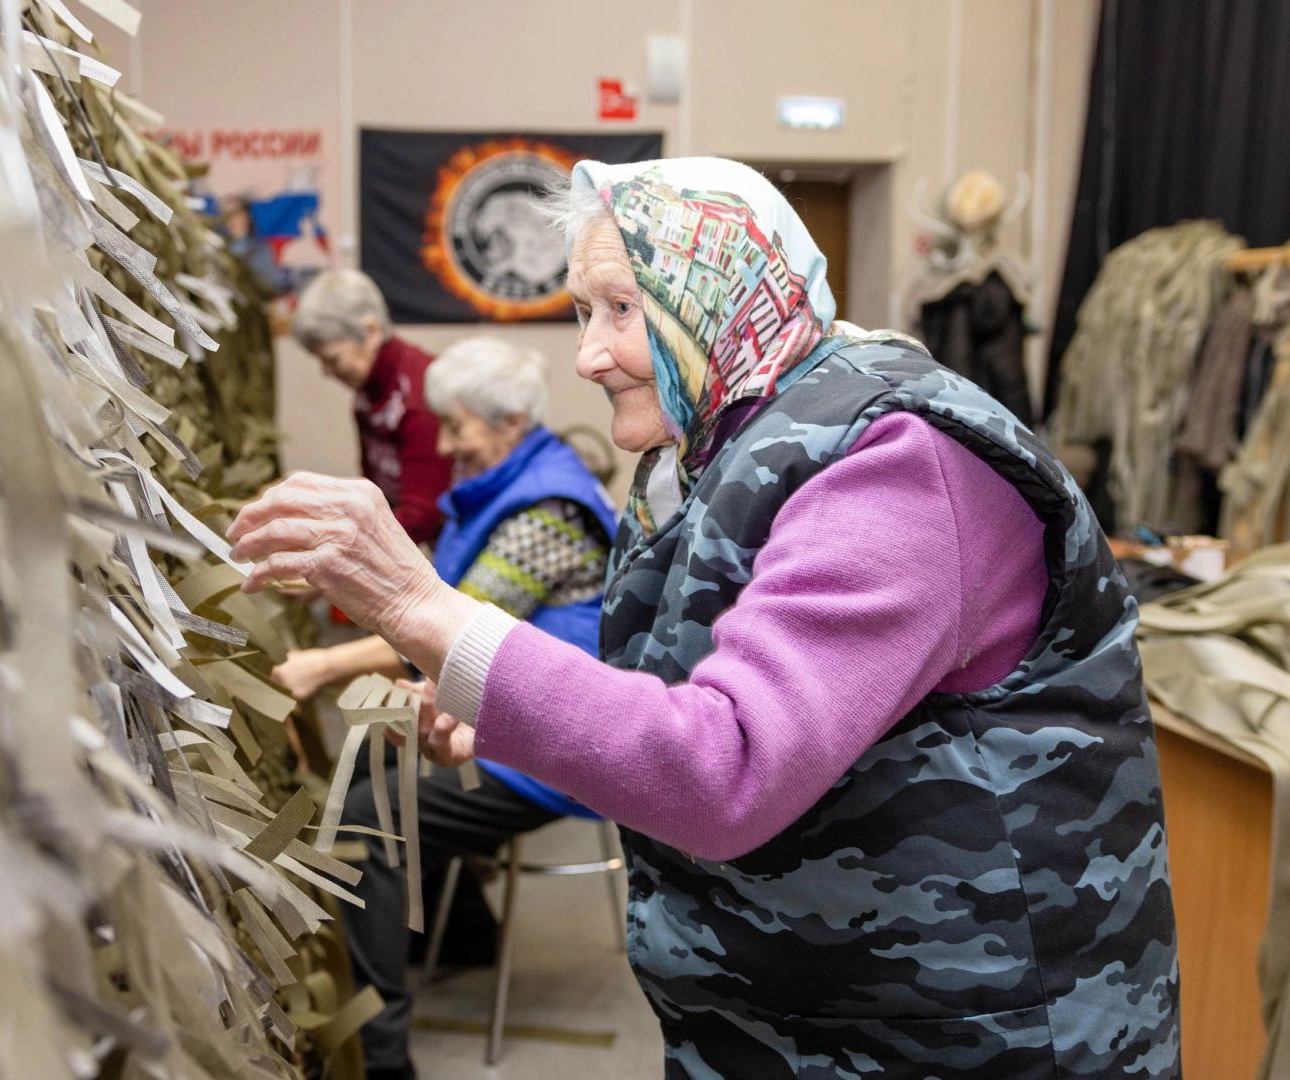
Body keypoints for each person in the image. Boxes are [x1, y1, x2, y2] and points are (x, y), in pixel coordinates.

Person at [228, 158, 1180, 1079]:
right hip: (809, 1010)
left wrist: (417, 604)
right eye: (582, 312)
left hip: (959, 1031)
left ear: (720, 292)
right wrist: (505, 708)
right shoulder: (717, 449)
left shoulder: (895, 463)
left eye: (621, 309)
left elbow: (726, 768)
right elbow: (690, 690)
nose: (588, 355)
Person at [270, 336, 618, 1079]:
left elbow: (453, 627)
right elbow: (437, 589)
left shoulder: (547, 509)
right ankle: (461, 933)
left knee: (364, 820)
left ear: (511, 420)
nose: (448, 444)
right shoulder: (495, 481)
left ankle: (380, 1057)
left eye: (458, 427)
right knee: (374, 752)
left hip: (554, 742)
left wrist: (322, 666)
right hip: (508, 715)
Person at [292, 269, 450, 544]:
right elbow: (373, 493)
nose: (326, 372)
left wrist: (340, 548)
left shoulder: (418, 396)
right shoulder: (368, 393)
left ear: (371, 331)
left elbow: (420, 516)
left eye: (333, 359)